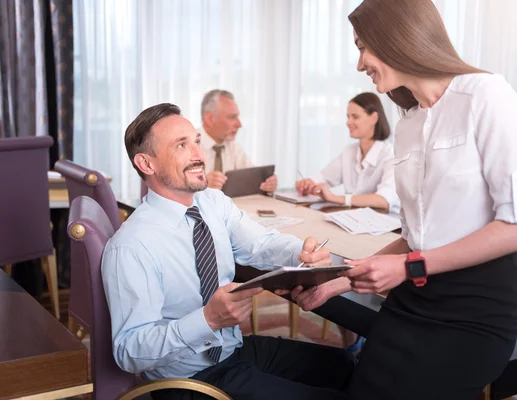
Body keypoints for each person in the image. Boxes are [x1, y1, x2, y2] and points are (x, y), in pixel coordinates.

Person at [289, 1, 517, 399]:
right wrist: (337, 282)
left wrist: (409, 267)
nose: (359, 64)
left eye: (363, 47)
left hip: (474, 311)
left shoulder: (486, 95)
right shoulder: (408, 124)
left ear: (398, 37)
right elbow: (416, 237)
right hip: (415, 298)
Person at [102, 103, 354, 400]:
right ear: (147, 164)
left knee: (350, 367)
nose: (198, 155)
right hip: (187, 380)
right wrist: (207, 320)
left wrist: (301, 251)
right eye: (181, 145)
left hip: (234, 350)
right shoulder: (132, 246)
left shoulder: (212, 202)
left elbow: (259, 243)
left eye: (196, 141)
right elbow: (129, 352)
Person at [295, 92, 400, 214]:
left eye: (355, 117)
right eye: (348, 116)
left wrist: (334, 198)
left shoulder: (391, 155)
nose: (348, 122)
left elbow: (383, 200)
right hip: (356, 219)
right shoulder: (350, 151)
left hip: (388, 223)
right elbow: (324, 177)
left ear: (374, 118)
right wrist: (307, 184)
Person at [199, 89, 278, 192]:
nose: (239, 124)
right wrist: (199, 185)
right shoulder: (187, 145)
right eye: (232, 117)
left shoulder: (234, 147)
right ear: (210, 119)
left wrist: (267, 182)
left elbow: (253, 178)